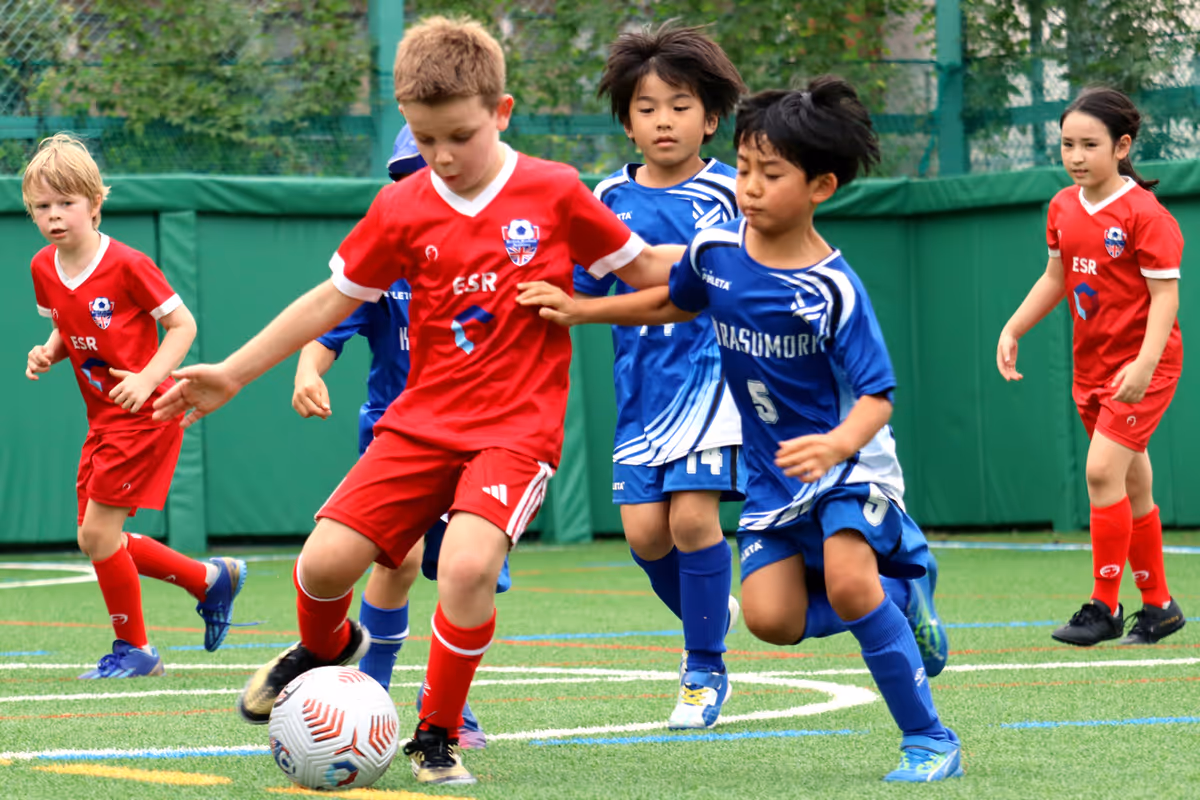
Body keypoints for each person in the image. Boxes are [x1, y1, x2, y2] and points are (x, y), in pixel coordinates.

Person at [152, 15, 683, 787]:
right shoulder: (402, 207)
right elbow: (330, 300)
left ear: (501, 113)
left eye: (459, 136)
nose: (441, 156)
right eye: (423, 137)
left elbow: (648, 273)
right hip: (419, 424)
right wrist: (234, 371)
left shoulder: (555, 192)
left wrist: (720, 259)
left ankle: (436, 733)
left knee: (466, 568)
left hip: (515, 431)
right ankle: (327, 650)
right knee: (324, 563)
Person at [518, 78, 963, 782]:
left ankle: (929, 739)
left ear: (820, 186)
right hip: (768, 477)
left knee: (849, 584)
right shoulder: (715, 251)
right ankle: (905, 596)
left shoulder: (833, 287)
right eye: (746, 168)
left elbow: (879, 396)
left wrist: (837, 444)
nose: (749, 187)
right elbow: (671, 303)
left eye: (771, 174)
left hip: (846, 463)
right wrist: (581, 310)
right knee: (771, 621)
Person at [290, 124, 507, 749]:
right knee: (399, 557)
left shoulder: (495, 254)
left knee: (471, 574)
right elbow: (327, 328)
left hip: (479, 439)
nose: (426, 186)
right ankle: (373, 689)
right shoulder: (387, 261)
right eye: (409, 176)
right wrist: (308, 371)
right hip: (398, 434)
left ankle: (449, 704)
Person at [572, 21, 747, 729]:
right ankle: (713, 614)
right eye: (647, 108)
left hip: (710, 382)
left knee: (693, 516)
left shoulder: (733, 192)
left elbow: (726, 277)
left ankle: (704, 669)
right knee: (645, 535)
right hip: (640, 390)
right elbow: (579, 278)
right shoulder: (603, 196)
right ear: (627, 121)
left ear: (710, 118)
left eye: (679, 105)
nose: (664, 120)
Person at [22, 133, 246, 679]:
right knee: (97, 538)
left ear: (95, 204)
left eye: (66, 204)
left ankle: (137, 651)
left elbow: (182, 325)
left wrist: (148, 380)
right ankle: (207, 580)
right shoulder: (44, 268)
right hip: (102, 418)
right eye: (41, 207)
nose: (54, 217)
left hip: (147, 415)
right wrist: (49, 352)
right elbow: (64, 322)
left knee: (98, 537)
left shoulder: (126, 264)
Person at [997, 86, 1186, 647]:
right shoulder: (1061, 206)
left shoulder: (1145, 215)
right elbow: (1056, 278)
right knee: (1130, 483)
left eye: (1089, 145)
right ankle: (1160, 607)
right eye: (1067, 144)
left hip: (1143, 367)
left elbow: (1166, 300)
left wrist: (1144, 367)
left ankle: (1104, 606)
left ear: (1121, 145)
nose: (1076, 156)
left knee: (1102, 472)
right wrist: (1013, 327)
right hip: (1092, 367)